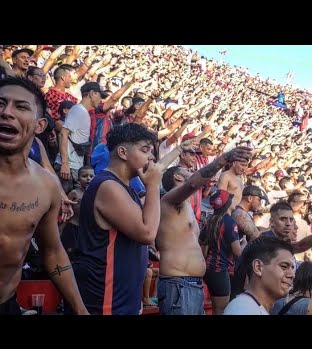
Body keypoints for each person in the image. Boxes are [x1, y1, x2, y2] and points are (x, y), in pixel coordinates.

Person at [69, 123, 180, 315]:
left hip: (121, 299)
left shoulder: (125, 187)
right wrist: (153, 186)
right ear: (122, 152)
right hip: (106, 299)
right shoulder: (108, 186)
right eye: (145, 150)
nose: (151, 157)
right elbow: (147, 233)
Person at [0, 76, 87, 315]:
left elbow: (52, 251)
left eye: (21, 106)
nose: (6, 112)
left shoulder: (46, 185)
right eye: (0, 103)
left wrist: (80, 310)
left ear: (39, 126)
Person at [156, 146, 253, 315]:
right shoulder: (169, 199)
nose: (192, 170)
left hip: (191, 285)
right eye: (187, 171)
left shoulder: (185, 207)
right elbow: (194, 182)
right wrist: (224, 159)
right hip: (179, 285)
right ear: (178, 176)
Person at [223, 235, 295, 315]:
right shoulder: (243, 310)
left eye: (292, 268)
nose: (292, 275)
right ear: (258, 267)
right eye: (284, 266)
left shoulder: (250, 307)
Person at [200, 189, 244, 314]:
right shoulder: (229, 222)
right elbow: (237, 251)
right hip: (220, 270)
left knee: (216, 308)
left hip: (208, 269)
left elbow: (203, 247)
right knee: (221, 310)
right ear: (227, 204)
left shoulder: (209, 220)